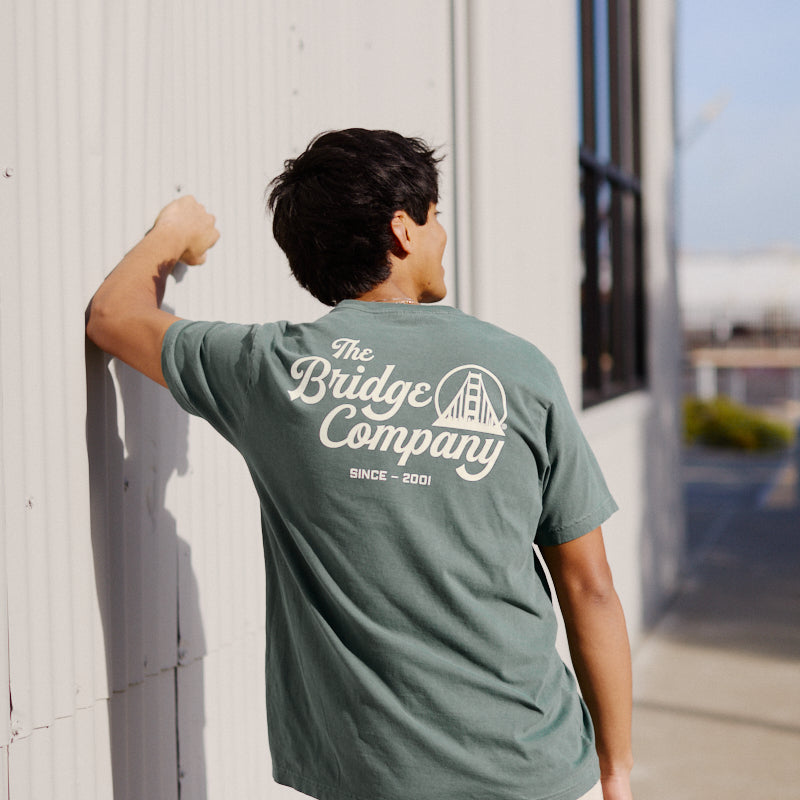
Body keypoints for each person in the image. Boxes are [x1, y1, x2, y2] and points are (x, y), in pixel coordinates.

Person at [87, 129, 633, 800]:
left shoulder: (269, 370)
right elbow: (591, 586)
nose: (440, 237)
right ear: (402, 230)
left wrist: (173, 234)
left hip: (370, 778)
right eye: (434, 218)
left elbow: (113, 314)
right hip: (535, 766)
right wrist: (616, 770)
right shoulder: (519, 371)